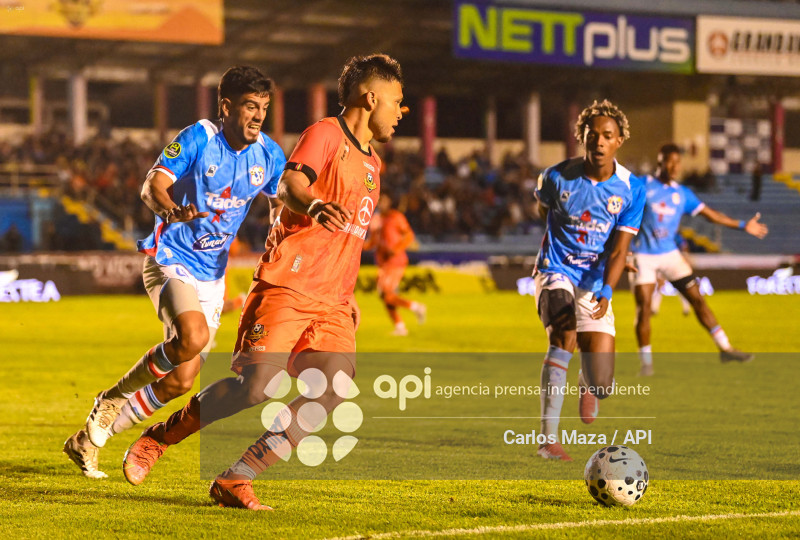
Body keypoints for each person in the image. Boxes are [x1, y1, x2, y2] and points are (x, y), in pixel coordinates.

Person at [121, 54, 405, 510]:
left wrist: (347, 294)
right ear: (371, 98)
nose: (400, 110)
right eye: (397, 100)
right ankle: (160, 438)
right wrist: (311, 206)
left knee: (332, 390)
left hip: (332, 301)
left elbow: (348, 240)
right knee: (256, 388)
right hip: (287, 285)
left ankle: (239, 476)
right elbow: (291, 182)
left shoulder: (374, 163)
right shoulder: (325, 134)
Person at [62, 66, 286, 478]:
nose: (258, 116)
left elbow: (279, 202)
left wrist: (279, 229)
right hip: (170, 258)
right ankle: (111, 398)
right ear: (226, 106)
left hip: (212, 278)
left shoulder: (270, 154)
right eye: (250, 106)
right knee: (193, 337)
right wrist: (172, 210)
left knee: (180, 382)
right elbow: (152, 186)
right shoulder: (199, 137)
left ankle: (89, 440)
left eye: (264, 108)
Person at [533, 99, 645, 462]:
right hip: (556, 270)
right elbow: (543, 210)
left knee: (604, 384)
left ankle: (588, 384)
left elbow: (619, 250)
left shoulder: (632, 189)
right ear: (580, 136)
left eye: (607, 136)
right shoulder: (555, 177)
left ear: (619, 141)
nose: (598, 141)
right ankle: (548, 441)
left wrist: (609, 288)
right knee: (563, 336)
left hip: (596, 281)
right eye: (592, 134)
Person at [630, 144, 768, 376]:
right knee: (643, 309)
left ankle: (725, 348)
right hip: (642, 254)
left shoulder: (682, 194)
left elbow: (712, 215)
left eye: (678, 162)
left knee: (698, 300)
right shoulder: (641, 184)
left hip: (670, 254)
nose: (674, 166)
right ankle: (646, 364)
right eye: (669, 161)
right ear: (660, 162)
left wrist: (743, 225)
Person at [364, 192, 426, 335]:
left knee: (386, 294)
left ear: (390, 202)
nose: (381, 203)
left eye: (384, 200)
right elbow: (373, 242)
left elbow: (409, 235)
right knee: (385, 296)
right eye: (379, 200)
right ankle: (400, 326)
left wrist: (396, 249)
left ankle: (416, 307)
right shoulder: (376, 219)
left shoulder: (396, 217)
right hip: (382, 262)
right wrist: (358, 244)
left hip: (395, 261)